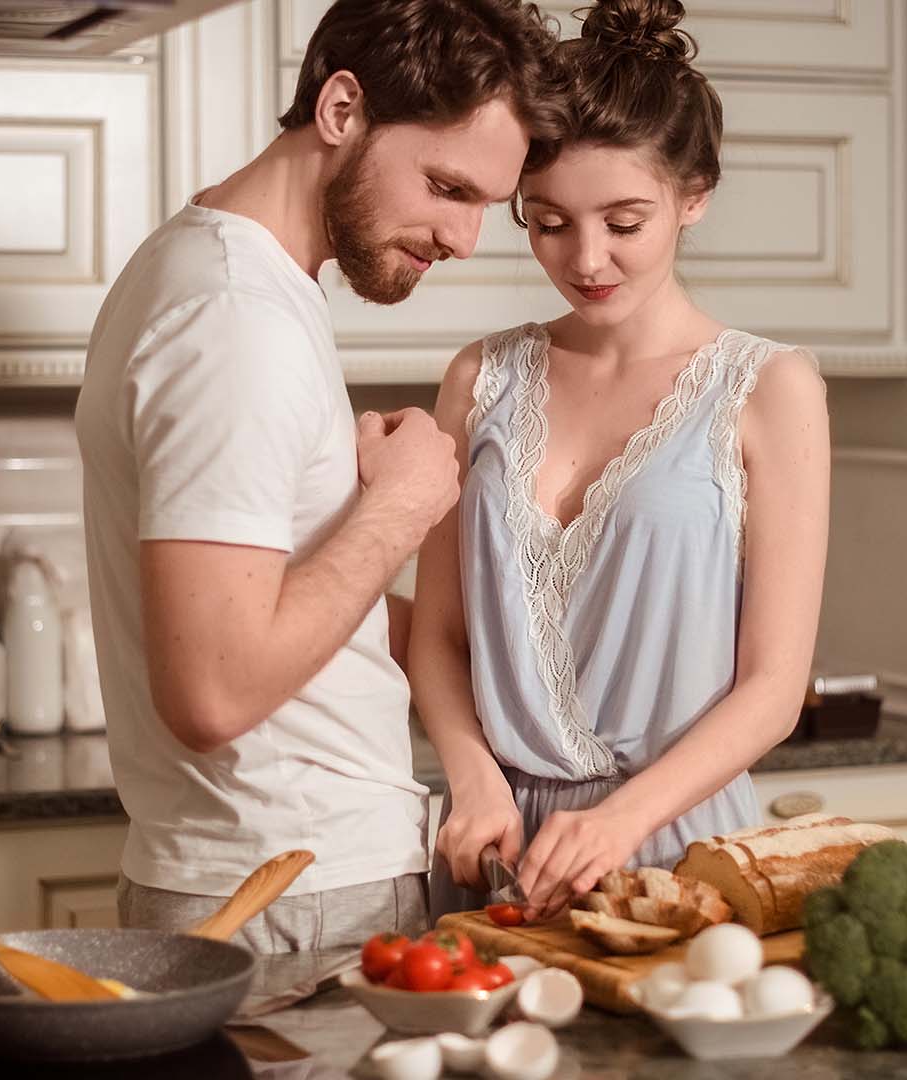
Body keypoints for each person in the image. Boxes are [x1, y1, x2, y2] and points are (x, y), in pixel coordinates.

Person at [75, 0, 562, 952]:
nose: (463, 239)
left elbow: (275, 605)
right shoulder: (233, 317)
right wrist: (399, 509)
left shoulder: (215, 272)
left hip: (270, 880)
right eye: (446, 187)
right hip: (293, 895)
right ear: (341, 108)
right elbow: (213, 692)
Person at [409, 0, 832, 922]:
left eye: (624, 221)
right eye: (549, 221)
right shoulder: (479, 377)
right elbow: (438, 637)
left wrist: (618, 821)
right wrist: (473, 778)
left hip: (679, 849)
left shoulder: (770, 387)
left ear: (695, 194)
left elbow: (773, 690)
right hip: (496, 851)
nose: (585, 258)